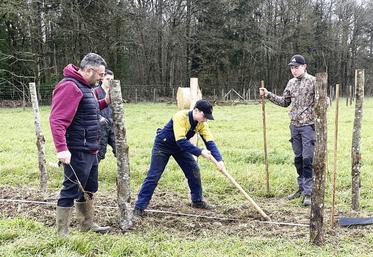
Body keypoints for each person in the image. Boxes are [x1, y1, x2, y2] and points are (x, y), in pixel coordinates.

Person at [50, 53, 112, 236]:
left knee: (89, 187)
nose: (102, 78)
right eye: (100, 75)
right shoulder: (69, 86)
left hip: (91, 148)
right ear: (89, 70)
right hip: (77, 149)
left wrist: (105, 101)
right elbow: (57, 120)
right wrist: (61, 149)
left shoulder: (85, 87)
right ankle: (62, 231)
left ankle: (86, 224)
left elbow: (87, 110)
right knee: (71, 188)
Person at [133, 99, 225, 216]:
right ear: (196, 111)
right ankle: (139, 207)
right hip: (163, 145)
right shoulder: (180, 116)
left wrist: (219, 160)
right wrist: (200, 151)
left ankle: (197, 201)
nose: (206, 119)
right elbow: (181, 141)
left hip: (180, 148)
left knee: (193, 170)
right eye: (204, 116)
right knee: (153, 176)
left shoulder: (202, 124)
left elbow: (210, 142)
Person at [259, 54, 315, 206]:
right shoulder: (291, 83)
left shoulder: (313, 81)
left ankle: (309, 192)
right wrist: (268, 94)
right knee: (298, 159)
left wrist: (326, 102)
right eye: (292, 67)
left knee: (307, 159)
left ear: (304, 66)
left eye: (296, 67)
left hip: (308, 126)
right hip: (294, 126)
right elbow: (284, 102)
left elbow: (323, 101)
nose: (294, 70)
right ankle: (301, 188)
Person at [94, 69, 116, 162]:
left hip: (112, 126)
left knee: (119, 148)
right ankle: (92, 174)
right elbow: (91, 108)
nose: (109, 81)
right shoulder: (95, 91)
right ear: (102, 79)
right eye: (107, 79)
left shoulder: (115, 92)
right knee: (100, 152)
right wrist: (99, 118)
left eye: (112, 79)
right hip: (100, 127)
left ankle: (123, 174)